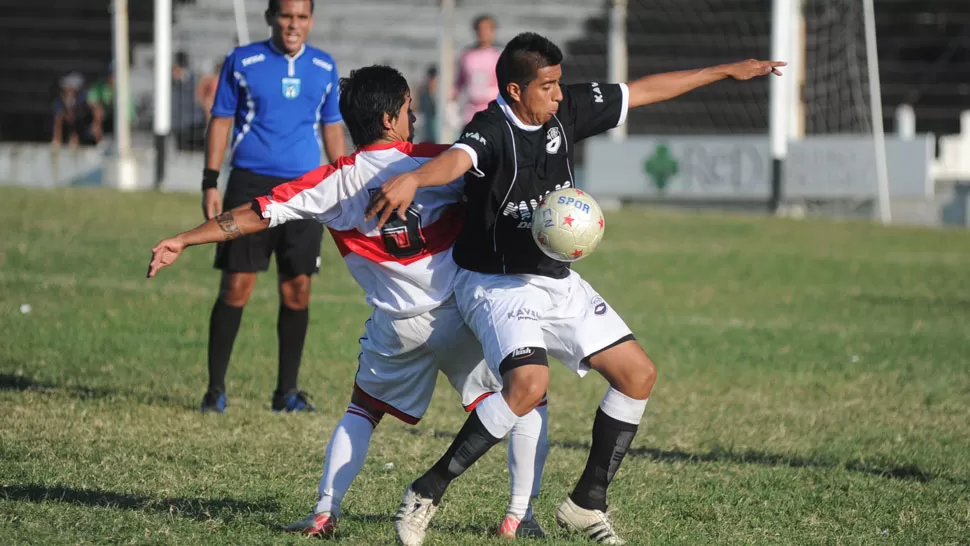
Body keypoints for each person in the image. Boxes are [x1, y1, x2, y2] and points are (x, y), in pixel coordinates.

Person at [366, 32, 784, 545]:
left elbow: (645, 90)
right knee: (528, 387)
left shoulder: (565, 109)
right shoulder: (490, 128)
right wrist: (416, 180)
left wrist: (724, 70)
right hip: (497, 285)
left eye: (560, 83)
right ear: (516, 90)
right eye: (548, 86)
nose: (559, 94)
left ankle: (587, 503)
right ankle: (427, 491)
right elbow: (455, 160)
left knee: (638, 375)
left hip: (556, 279)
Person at [147, 65, 548, 539]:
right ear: (387, 118)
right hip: (461, 312)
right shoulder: (437, 163)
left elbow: (253, 214)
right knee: (528, 395)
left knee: (363, 410)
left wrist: (184, 239)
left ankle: (324, 510)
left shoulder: (331, 182)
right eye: (407, 107)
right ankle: (517, 515)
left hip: (395, 325)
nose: (413, 115)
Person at [200, 0, 347, 413]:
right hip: (249, 184)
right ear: (270, 18)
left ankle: (286, 394)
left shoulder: (324, 67)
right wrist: (211, 181)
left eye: (301, 17)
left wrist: (340, 179)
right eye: (285, 16)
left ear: (311, 20)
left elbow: (331, 126)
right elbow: (222, 120)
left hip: (305, 190)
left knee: (297, 290)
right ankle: (215, 392)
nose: (293, 25)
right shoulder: (242, 61)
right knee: (236, 286)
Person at [455, 14, 501, 126]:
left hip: (493, 111)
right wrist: (452, 104)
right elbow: (459, 83)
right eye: (480, 29)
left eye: (487, 29)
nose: (484, 33)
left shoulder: (499, 56)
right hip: (470, 113)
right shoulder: (467, 55)